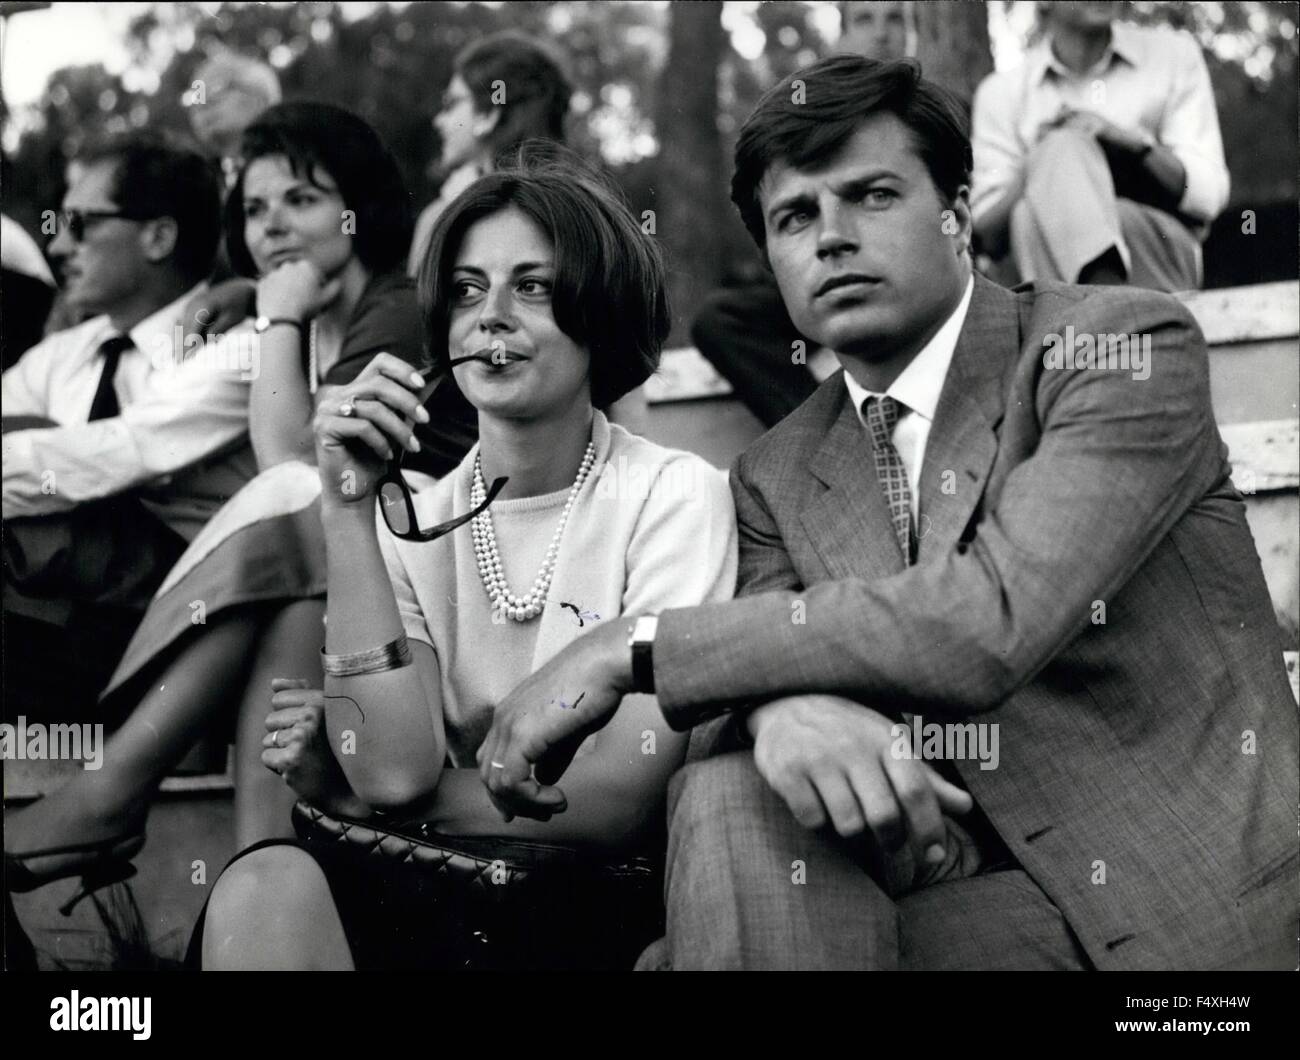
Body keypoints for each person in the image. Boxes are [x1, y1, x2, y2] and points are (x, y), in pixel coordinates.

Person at [477, 55, 1298, 971]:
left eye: (871, 195)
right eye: (795, 217)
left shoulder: (1115, 349)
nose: (829, 238)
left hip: (1188, 914)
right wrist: (778, 715)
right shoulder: (773, 473)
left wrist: (632, 644)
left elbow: (992, 618)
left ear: (957, 212)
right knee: (728, 799)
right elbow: (739, 682)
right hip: (949, 886)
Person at [195, 151, 738, 970]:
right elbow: (389, 771)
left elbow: (615, 798)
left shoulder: (674, 495)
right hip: (438, 895)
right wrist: (346, 509)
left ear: (601, 310)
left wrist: (356, 799)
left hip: (596, 905)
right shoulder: (414, 518)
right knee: (265, 886)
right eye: (467, 290)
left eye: (534, 286)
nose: (491, 316)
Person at [4, 103, 479, 905]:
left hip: (437, 572)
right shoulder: (304, 323)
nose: (273, 228)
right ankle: (253, 894)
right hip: (342, 581)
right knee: (293, 604)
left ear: (359, 205)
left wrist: (278, 310)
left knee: (299, 506)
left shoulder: (394, 307)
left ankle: (115, 787)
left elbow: (299, 468)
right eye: (255, 209)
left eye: (302, 199)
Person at [2, 135, 242, 722]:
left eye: (81, 224)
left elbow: (132, 448)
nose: (58, 244)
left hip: (174, 632)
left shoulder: (237, 342)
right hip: (51, 625)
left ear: (158, 236)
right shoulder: (65, 354)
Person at [691, 1, 915, 430]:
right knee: (719, 319)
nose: (883, 33)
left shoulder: (938, 113)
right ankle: (827, 436)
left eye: (895, 19)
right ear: (843, 35)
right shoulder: (812, 110)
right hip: (822, 268)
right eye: (866, 20)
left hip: (906, 261)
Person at [971, 1, 1229, 290]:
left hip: (1158, 256)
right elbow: (986, 234)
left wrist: (1133, 147)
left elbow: (1208, 196)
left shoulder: (1172, 56)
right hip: (1042, 267)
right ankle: (1108, 309)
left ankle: (1098, 310)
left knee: (1036, 206)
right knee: (1032, 202)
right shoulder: (1000, 94)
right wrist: (1045, 164)